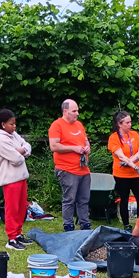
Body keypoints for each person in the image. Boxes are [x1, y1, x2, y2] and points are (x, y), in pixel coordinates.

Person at [0, 109, 33, 251]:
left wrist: (21, 150)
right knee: (12, 209)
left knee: (22, 207)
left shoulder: (13, 134)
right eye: (11, 124)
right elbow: (16, 159)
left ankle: (18, 233)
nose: (14, 126)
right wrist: (21, 152)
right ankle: (11, 238)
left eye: (15, 123)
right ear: (3, 124)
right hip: (10, 179)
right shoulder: (0, 139)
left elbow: (27, 146)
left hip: (21, 176)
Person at [49, 99, 91, 231]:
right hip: (67, 169)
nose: (77, 113)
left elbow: (85, 141)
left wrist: (87, 148)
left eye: (77, 110)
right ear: (65, 111)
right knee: (69, 199)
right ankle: (68, 225)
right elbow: (54, 146)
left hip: (83, 169)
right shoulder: (57, 125)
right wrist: (74, 149)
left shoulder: (79, 125)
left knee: (84, 199)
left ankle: (85, 224)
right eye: (74, 111)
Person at [107, 111, 139, 231]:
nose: (130, 124)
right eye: (127, 123)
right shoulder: (114, 138)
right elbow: (120, 156)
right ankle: (126, 225)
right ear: (120, 124)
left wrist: (131, 162)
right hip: (121, 175)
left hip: (135, 174)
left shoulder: (134, 134)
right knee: (124, 199)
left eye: (130, 122)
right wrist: (135, 166)